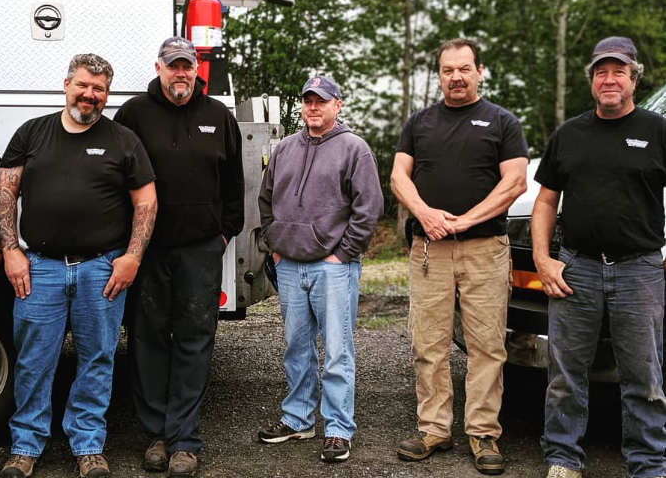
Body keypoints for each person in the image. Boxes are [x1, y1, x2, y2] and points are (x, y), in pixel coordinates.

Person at [0, 54, 157, 478]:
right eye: (83, 85)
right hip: (41, 268)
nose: (90, 95)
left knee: (97, 359)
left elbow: (146, 201)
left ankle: (88, 446)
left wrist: (132, 257)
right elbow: (5, 191)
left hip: (101, 269)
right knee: (34, 360)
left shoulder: (123, 139)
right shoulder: (32, 133)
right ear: (66, 84)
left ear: (107, 94)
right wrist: (11, 249)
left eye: (99, 89)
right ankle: (25, 447)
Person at [390, 38, 528, 475]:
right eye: (448, 70)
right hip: (429, 250)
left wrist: (465, 220)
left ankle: (483, 433)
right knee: (428, 344)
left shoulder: (502, 122)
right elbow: (398, 176)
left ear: (480, 72)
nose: (456, 77)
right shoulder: (419, 123)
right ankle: (433, 428)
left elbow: (516, 183)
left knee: (487, 345)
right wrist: (426, 214)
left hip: (485, 251)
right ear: (438, 76)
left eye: (464, 68)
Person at [531, 37, 666, 478]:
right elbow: (546, 202)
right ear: (592, 80)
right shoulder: (569, 134)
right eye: (601, 72)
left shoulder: (657, 131)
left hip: (640, 271)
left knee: (644, 377)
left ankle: (647, 464)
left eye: (619, 71)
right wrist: (542, 259)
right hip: (577, 269)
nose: (609, 80)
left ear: (633, 78)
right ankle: (563, 458)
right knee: (565, 374)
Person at [113, 36, 244, 478]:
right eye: (174, 66)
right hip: (147, 251)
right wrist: (128, 243)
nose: (182, 73)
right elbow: (115, 180)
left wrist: (223, 234)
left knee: (194, 340)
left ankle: (184, 439)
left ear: (196, 68)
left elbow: (233, 184)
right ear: (159, 68)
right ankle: (155, 435)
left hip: (201, 250)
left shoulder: (217, 116)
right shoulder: (132, 114)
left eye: (188, 65)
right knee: (147, 339)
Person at [256, 75, 383, 463]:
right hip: (291, 265)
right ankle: (297, 419)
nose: (314, 107)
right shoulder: (286, 148)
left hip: (333, 268)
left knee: (337, 351)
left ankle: (338, 428)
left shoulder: (354, 149)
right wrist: (273, 245)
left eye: (322, 101)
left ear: (337, 105)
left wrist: (343, 253)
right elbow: (265, 199)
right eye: (308, 101)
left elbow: (369, 207)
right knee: (296, 348)